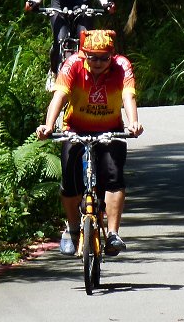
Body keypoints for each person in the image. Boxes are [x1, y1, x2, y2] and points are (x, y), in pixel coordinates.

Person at [36, 29, 143, 256]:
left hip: (110, 130)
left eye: (104, 58)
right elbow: (59, 96)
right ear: (84, 54)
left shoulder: (122, 66)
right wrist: (48, 125)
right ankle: (73, 228)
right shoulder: (72, 65)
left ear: (112, 56)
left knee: (113, 178)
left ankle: (113, 234)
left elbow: (128, 97)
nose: (98, 62)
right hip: (75, 129)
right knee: (70, 180)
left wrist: (133, 123)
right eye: (92, 57)